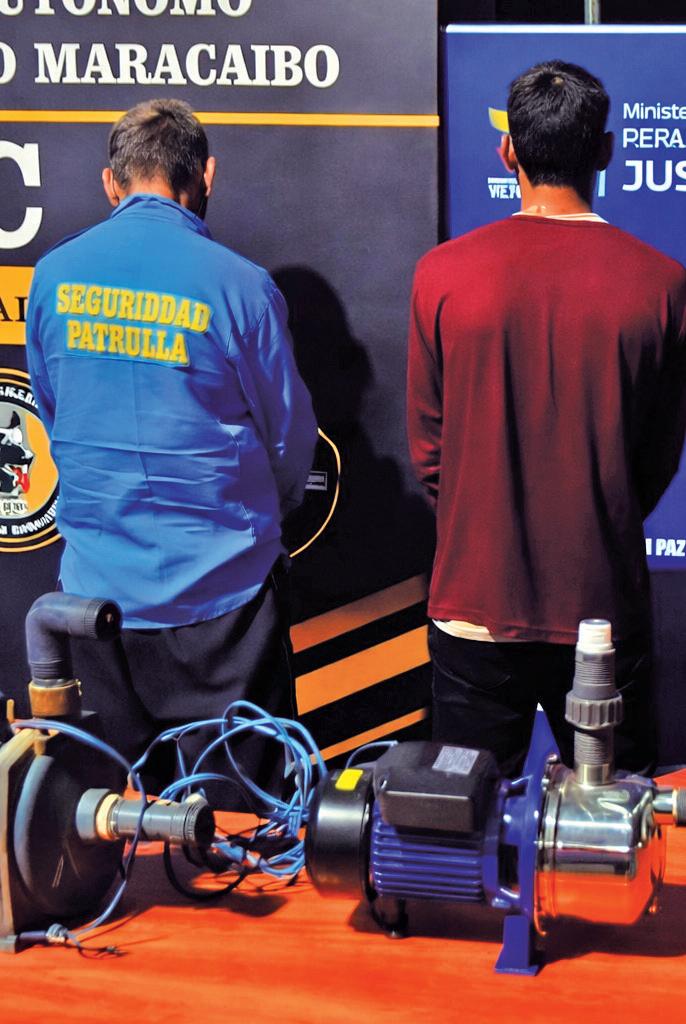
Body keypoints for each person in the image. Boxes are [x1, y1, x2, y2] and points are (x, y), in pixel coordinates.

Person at [25, 99, 317, 803]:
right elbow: (288, 441)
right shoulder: (241, 287)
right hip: (225, 603)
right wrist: (263, 522)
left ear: (111, 183)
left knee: (117, 825)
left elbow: (53, 414)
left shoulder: (53, 278)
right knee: (245, 827)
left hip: (97, 604)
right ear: (205, 176)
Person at [407, 60, 686, 776]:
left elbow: (430, 449)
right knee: (620, 821)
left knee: (465, 822)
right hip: (601, 605)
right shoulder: (661, 284)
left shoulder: (442, 273)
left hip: (475, 601)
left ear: (507, 152)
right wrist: (600, 515)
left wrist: (483, 521)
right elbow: (657, 455)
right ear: (606, 151)